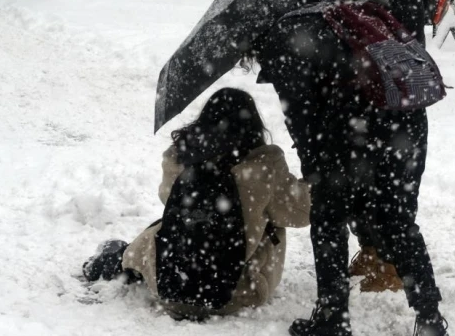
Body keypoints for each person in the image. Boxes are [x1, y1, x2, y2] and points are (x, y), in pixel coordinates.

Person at [250, 0, 449, 336]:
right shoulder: (375, 17)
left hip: (338, 135)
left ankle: (332, 316)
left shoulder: (293, 26)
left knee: (328, 219)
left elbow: (299, 109)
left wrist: (313, 159)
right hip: (399, 131)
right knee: (398, 219)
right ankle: (429, 315)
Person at [82, 88, 312, 320]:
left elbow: (166, 196)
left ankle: (121, 261)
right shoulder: (264, 169)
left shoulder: (181, 157)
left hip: (171, 285)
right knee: (272, 216)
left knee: (168, 226)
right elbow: (303, 213)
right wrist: (310, 176)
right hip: (236, 293)